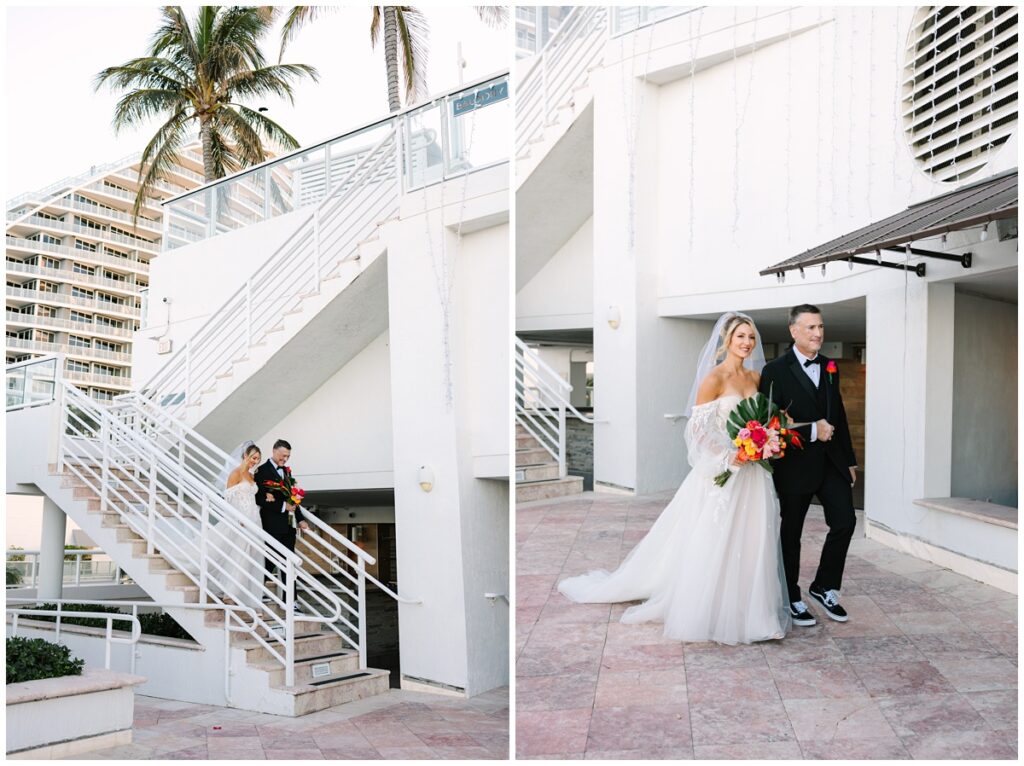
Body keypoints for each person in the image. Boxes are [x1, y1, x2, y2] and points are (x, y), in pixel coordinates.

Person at [558, 312, 790, 644]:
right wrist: (731, 456)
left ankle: (754, 615)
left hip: (754, 475)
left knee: (753, 540)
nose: (747, 343)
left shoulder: (755, 378)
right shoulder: (714, 378)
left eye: (751, 337)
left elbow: (765, 421)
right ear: (726, 340)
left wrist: (766, 441)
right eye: (741, 336)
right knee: (716, 538)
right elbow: (697, 430)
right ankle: (710, 609)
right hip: (724, 470)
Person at [759, 304, 857, 626]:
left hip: (831, 462)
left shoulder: (830, 366)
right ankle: (791, 596)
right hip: (794, 465)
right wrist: (811, 428)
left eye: (821, 327)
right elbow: (769, 423)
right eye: (811, 328)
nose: (818, 334)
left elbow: (838, 413)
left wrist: (850, 460)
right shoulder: (774, 370)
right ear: (793, 331)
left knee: (844, 521)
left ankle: (824, 586)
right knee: (791, 534)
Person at [254, 439, 310, 612]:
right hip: (270, 524)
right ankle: (257, 590)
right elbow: (257, 498)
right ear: (274, 451)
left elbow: (292, 497)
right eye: (283, 455)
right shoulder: (261, 471)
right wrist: (281, 506)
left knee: (290, 562)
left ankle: (291, 601)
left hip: (289, 525)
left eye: (288, 456)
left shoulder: (286, 471)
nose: (285, 459)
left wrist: (300, 519)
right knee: (269, 561)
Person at [215, 441, 266, 610]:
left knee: (250, 555)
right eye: (253, 458)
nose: (255, 461)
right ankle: (230, 593)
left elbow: (253, 497)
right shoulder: (235, 473)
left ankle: (242, 592)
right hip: (241, 520)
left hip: (254, 519)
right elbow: (228, 499)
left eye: (257, 459)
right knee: (240, 554)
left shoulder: (252, 476)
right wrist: (238, 519)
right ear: (245, 456)